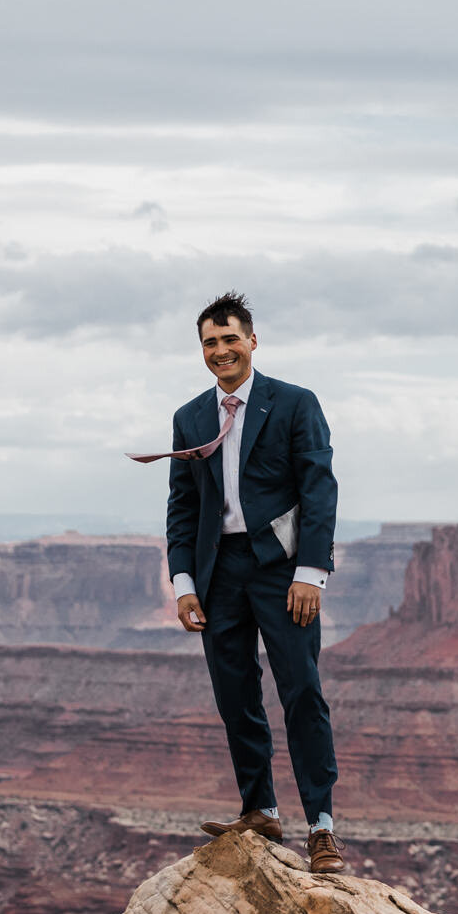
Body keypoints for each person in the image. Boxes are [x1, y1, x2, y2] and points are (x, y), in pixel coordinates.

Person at [148, 291, 346, 874]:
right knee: (235, 695)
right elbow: (182, 507)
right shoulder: (189, 417)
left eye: (230, 338)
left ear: (252, 341)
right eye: (210, 342)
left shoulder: (293, 403)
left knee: (301, 690)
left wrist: (312, 572)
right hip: (218, 576)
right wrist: (184, 582)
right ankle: (260, 808)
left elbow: (319, 490)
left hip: (283, 570)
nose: (220, 350)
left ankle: (322, 827)